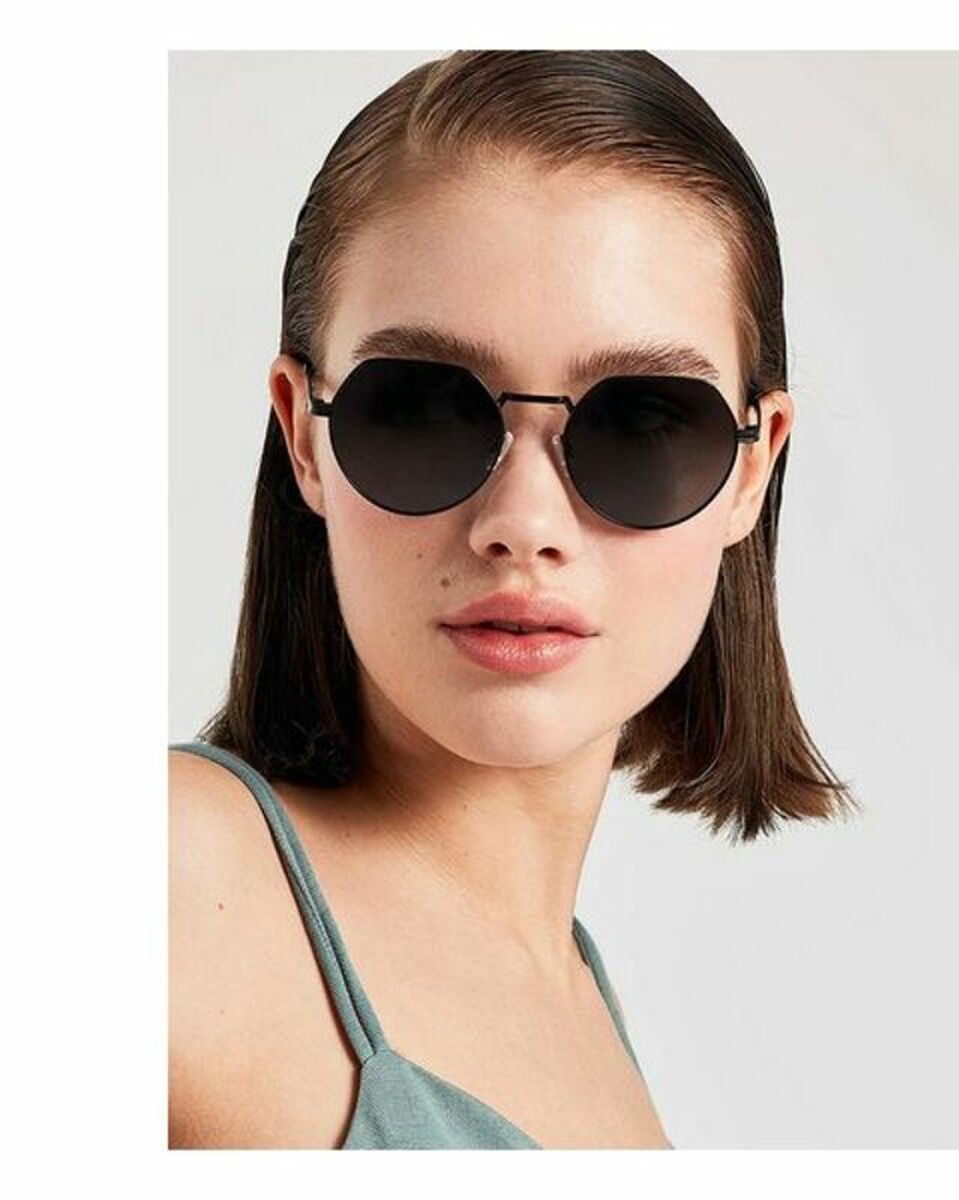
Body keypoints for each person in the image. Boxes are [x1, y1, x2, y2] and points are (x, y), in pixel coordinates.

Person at [169, 50, 857, 1151]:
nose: (523, 523)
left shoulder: (582, 1004)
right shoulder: (173, 879)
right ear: (302, 434)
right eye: (422, 409)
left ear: (750, 469)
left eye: (641, 422)